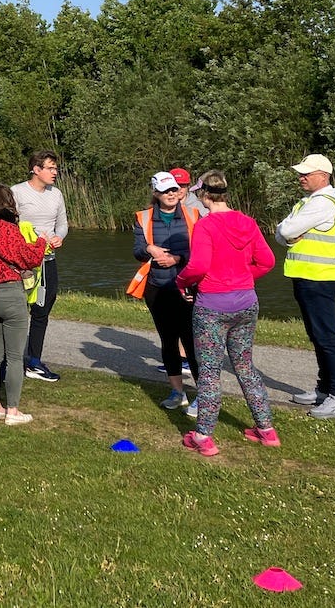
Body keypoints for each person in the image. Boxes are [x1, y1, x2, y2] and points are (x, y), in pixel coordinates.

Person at [175, 170, 279, 456]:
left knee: (209, 372)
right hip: (247, 303)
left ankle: (203, 436)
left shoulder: (206, 226)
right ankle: (266, 430)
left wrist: (181, 282)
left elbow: (197, 267)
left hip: (212, 307)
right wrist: (244, 277)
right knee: (245, 366)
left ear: (204, 195)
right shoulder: (248, 222)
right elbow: (267, 261)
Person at [276, 153, 335, 419]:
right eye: (301, 173)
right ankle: (324, 388)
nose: (301, 177)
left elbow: (285, 231)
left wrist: (289, 234)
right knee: (317, 336)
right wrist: (288, 234)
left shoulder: (323, 203)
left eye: (307, 173)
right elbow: (282, 231)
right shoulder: (309, 201)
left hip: (320, 278)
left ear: (323, 176)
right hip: (306, 276)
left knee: (327, 337)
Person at [0, 183, 49, 426]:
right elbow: (29, 257)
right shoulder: (5, 228)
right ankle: (12, 411)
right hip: (11, 294)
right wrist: (41, 242)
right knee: (14, 357)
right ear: (8, 204)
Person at [132, 172, 199, 410]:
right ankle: (177, 392)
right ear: (155, 193)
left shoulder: (193, 214)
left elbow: (202, 251)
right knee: (168, 340)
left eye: (173, 190)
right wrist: (149, 248)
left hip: (187, 286)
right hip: (157, 287)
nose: (171, 194)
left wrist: (178, 258)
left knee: (191, 341)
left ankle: (202, 396)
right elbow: (138, 251)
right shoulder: (144, 218)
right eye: (165, 191)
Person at [10, 149, 67, 382]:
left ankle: (34, 361)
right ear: (36, 169)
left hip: (48, 260)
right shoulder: (17, 192)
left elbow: (62, 224)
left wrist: (59, 237)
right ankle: (10, 360)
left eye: (55, 168)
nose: (55, 172)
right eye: (50, 168)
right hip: (22, 263)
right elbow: (8, 227)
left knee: (42, 311)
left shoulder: (57, 194)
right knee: (16, 310)